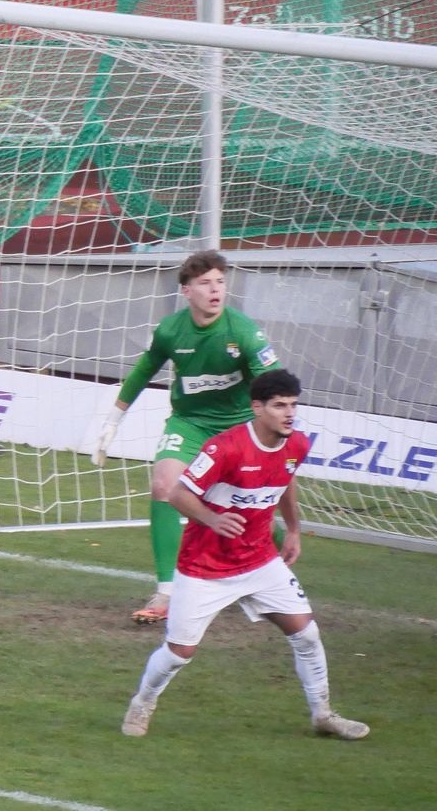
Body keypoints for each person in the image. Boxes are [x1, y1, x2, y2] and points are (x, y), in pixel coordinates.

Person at [120, 369, 368, 740]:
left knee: (306, 634)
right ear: (257, 407)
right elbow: (177, 494)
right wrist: (212, 519)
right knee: (179, 653)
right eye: (279, 405)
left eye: (293, 405)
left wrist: (293, 530)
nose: (289, 413)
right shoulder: (225, 448)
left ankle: (323, 715)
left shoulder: (296, 444)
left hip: (260, 561)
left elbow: (285, 482)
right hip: (205, 569)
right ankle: (143, 702)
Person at [90, 250, 281, 624]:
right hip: (189, 424)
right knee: (164, 485)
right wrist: (113, 420)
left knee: (248, 515)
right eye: (206, 283)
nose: (216, 290)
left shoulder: (244, 332)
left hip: (238, 428)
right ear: (187, 291)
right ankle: (167, 592)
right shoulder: (170, 330)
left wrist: (274, 433)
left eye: (220, 282)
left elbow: (275, 384)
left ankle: (270, 567)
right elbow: (144, 370)